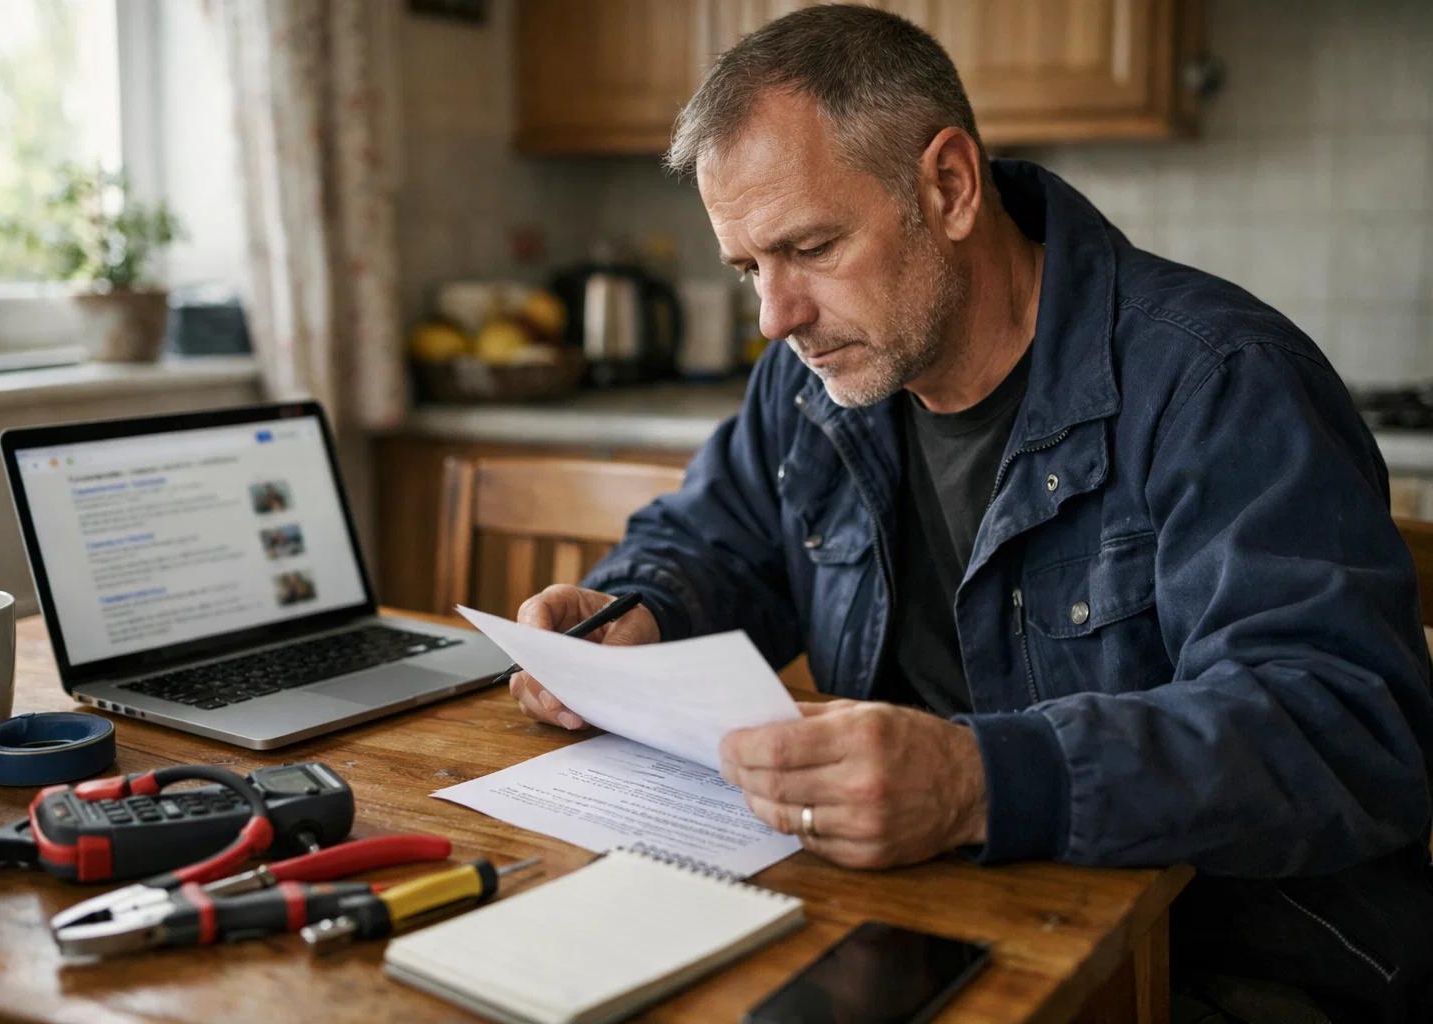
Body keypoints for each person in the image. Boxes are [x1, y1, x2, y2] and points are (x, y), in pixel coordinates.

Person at [507, 6, 1433, 1021]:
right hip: (938, 916)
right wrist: (634, 610)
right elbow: (717, 541)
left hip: (1228, 953)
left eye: (810, 247)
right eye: (749, 268)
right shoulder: (814, 384)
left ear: (948, 186)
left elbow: (1343, 724)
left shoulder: (1221, 381)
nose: (776, 316)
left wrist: (979, 779)